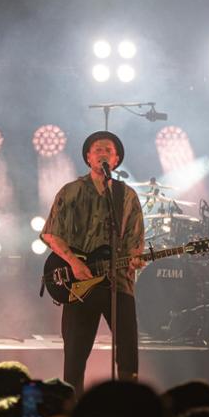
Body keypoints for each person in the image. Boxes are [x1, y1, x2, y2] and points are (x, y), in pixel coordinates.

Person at [41, 131, 145, 390]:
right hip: (79, 282)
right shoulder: (71, 191)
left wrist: (135, 260)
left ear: (117, 158)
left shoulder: (127, 195)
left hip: (118, 283)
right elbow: (51, 234)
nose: (102, 153)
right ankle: (72, 410)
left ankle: (127, 405)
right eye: (96, 149)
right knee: (75, 355)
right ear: (88, 157)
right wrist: (74, 263)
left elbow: (136, 240)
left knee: (128, 352)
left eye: (107, 149)